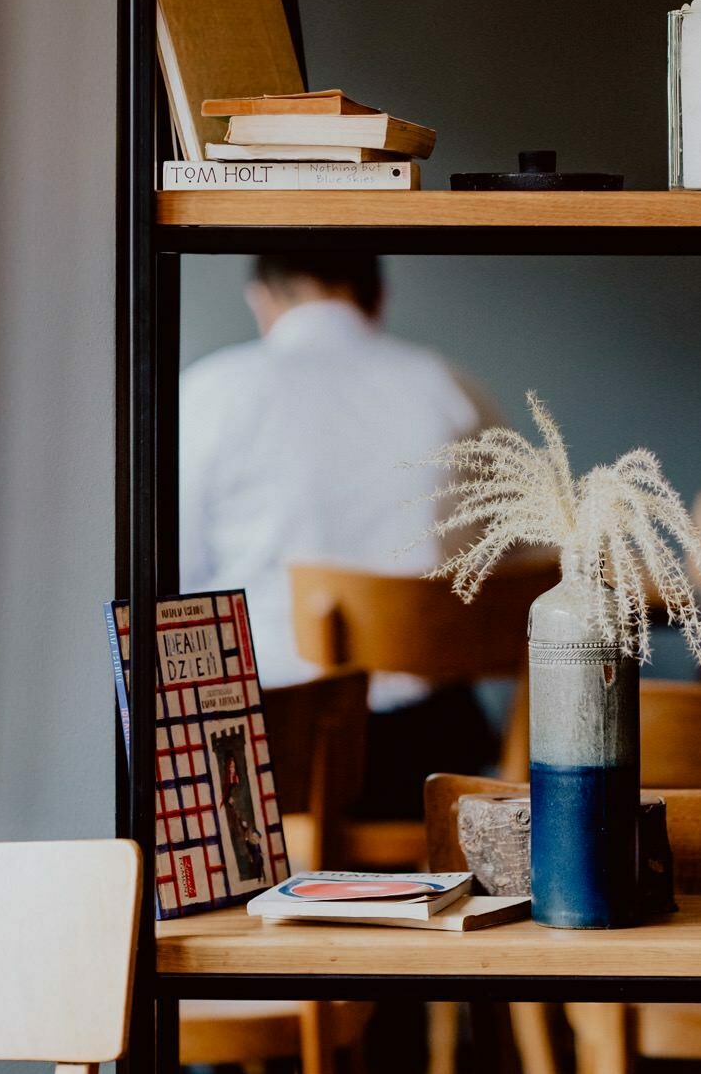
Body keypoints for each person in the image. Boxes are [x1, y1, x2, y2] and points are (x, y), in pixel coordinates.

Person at [179, 250, 500, 815]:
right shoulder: (452, 391)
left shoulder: (210, 394)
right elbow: (513, 561)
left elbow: (179, 578)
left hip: (266, 746)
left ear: (262, 300)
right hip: (430, 756)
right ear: (377, 298)